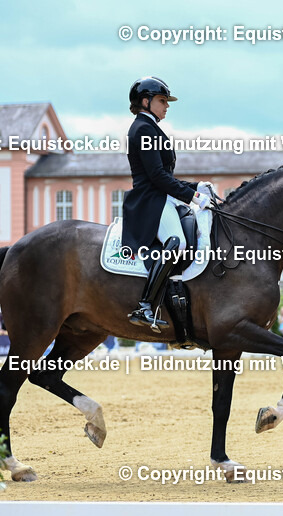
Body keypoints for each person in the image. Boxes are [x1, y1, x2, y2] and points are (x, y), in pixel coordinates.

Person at [122, 76, 216, 331]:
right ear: (145, 101)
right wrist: (194, 197)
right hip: (150, 201)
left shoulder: (151, 127)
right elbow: (157, 177)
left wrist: (195, 186)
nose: (167, 106)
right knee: (178, 242)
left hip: (161, 196)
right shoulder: (142, 129)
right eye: (162, 100)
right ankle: (145, 306)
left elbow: (165, 176)